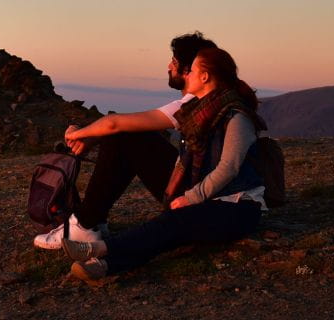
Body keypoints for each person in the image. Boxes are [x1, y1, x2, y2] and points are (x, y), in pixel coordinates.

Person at [62, 47, 267, 284]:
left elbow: (228, 167)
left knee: (175, 223)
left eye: (192, 71)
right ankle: (102, 265)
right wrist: (176, 193)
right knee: (174, 224)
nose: (186, 75)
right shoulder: (195, 114)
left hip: (238, 206)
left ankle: (100, 252)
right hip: (208, 197)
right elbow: (185, 158)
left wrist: (191, 197)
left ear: (205, 77)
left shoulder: (236, 116)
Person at [34, 31, 217, 250]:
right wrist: (94, 139)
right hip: (206, 192)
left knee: (124, 134)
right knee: (125, 135)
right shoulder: (215, 100)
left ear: (190, 70)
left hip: (198, 199)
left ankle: (84, 224)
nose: (169, 66)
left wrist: (77, 134)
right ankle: (93, 221)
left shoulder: (195, 105)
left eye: (174, 61)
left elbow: (115, 124)